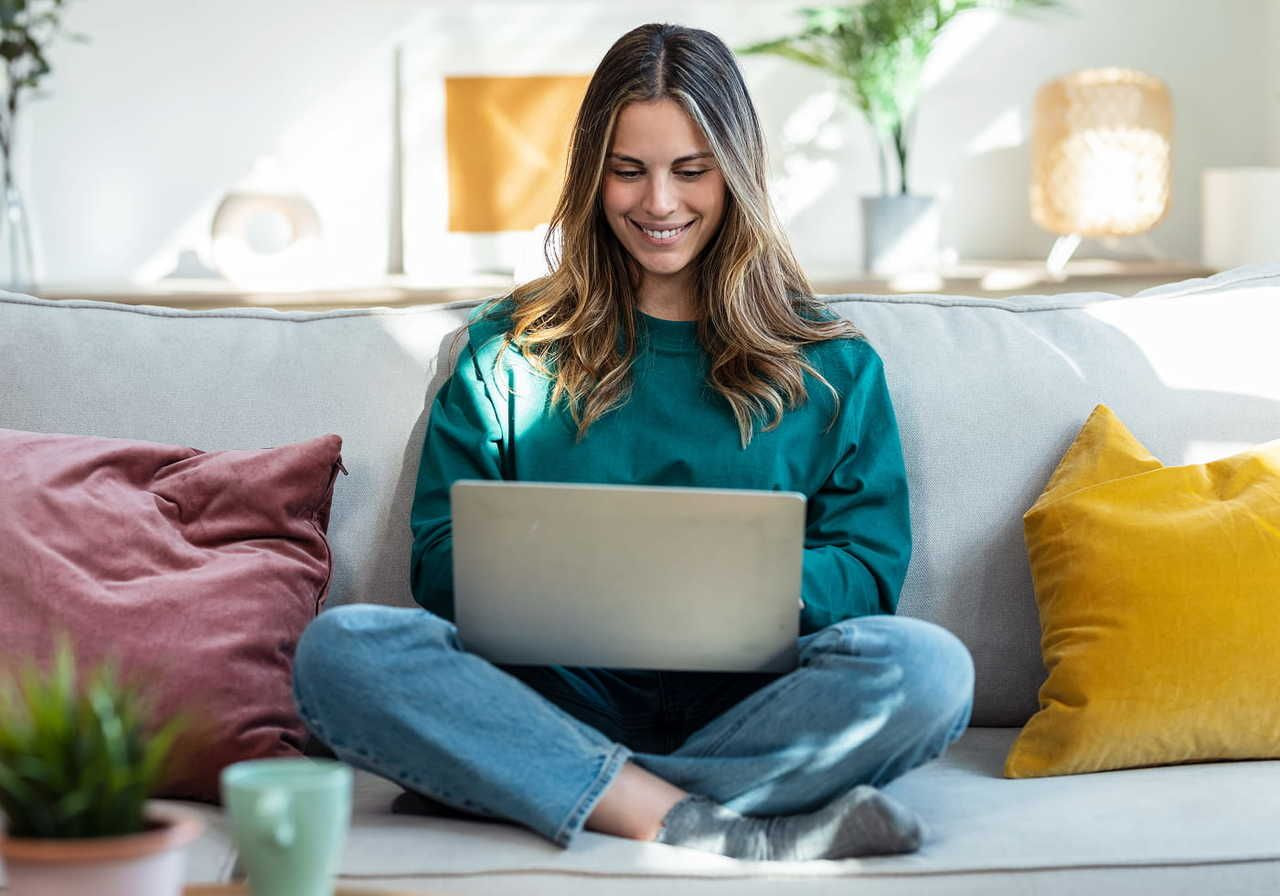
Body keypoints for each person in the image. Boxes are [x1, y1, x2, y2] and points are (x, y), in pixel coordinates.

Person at [292, 22, 974, 862]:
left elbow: (870, 570)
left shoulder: (832, 364)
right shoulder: (507, 349)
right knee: (341, 651)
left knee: (931, 670)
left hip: (757, 701)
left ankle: (566, 788)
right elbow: (436, 560)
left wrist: (726, 581)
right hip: (550, 694)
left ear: (736, 173)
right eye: (629, 171)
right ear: (591, 175)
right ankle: (705, 822)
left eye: (691, 171)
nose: (659, 203)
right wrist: (569, 575)